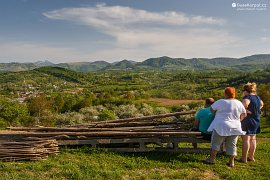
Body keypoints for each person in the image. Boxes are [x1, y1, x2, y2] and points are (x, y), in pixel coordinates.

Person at [203, 87, 247, 167]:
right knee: (232, 144)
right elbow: (244, 114)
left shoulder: (220, 102)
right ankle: (231, 162)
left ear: (225, 93)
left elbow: (212, 109)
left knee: (216, 143)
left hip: (221, 125)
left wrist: (217, 114)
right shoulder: (238, 103)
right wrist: (238, 120)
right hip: (235, 126)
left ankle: (211, 159)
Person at [237, 82, 263, 163]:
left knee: (246, 140)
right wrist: (257, 110)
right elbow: (262, 104)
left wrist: (245, 110)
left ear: (245, 90)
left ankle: (244, 158)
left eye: (243, 90)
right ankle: (251, 157)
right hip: (256, 119)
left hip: (247, 120)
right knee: (253, 139)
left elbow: (243, 105)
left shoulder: (247, 97)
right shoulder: (257, 97)